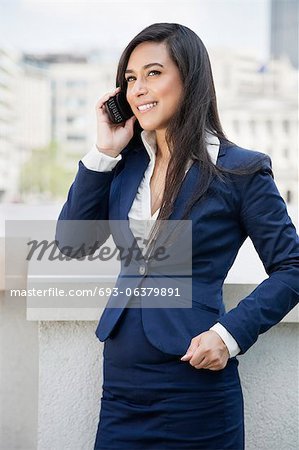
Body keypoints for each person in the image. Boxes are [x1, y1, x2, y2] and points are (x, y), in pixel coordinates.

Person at [56, 23, 299, 450]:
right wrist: (104, 151)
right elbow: (73, 243)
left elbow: (291, 268)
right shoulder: (125, 164)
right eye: (130, 79)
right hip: (121, 389)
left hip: (195, 390)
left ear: (189, 77)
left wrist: (229, 335)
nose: (138, 88)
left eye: (153, 73)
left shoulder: (240, 170)